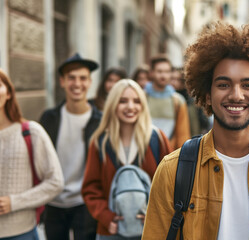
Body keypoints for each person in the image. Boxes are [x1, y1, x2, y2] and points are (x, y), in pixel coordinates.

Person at [142, 21, 249, 239]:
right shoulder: (172, 170)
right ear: (207, 95)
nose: (236, 95)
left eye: (248, 85)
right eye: (223, 84)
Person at [81, 79, 172, 240]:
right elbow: (91, 188)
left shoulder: (156, 138)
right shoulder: (100, 142)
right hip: (111, 231)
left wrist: (157, 214)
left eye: (136, 101)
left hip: (151, 230)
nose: (130, 107)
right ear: (113, 104)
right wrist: (106, 217)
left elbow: (171, 183)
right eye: (123, 101)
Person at [39, 53, 102, 240]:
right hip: (53, 202)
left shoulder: (100, 121)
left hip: (85, 202)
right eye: (71, 78)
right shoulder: (49, 118)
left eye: (82, 78)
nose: (77, 84)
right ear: (62, 82)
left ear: (90, 82)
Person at [0, 69, 64, 239]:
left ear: (8, 93)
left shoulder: (30, 132)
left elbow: (55, 182)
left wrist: (14, 202)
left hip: (21, 233)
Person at [144, 55, 190, 150]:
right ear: (151, 73)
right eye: (159, 71)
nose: (163, 75)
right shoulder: (141, 98)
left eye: (167, 72)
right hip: (145, 152)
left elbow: (183, 135)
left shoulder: (178, 101)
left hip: (169, 153)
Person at [170, 67, 210, 136]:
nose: (174, 82)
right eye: (172, 79)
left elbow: (204, 122)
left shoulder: (192, 102)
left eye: (177, 79)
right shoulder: (170, 99)